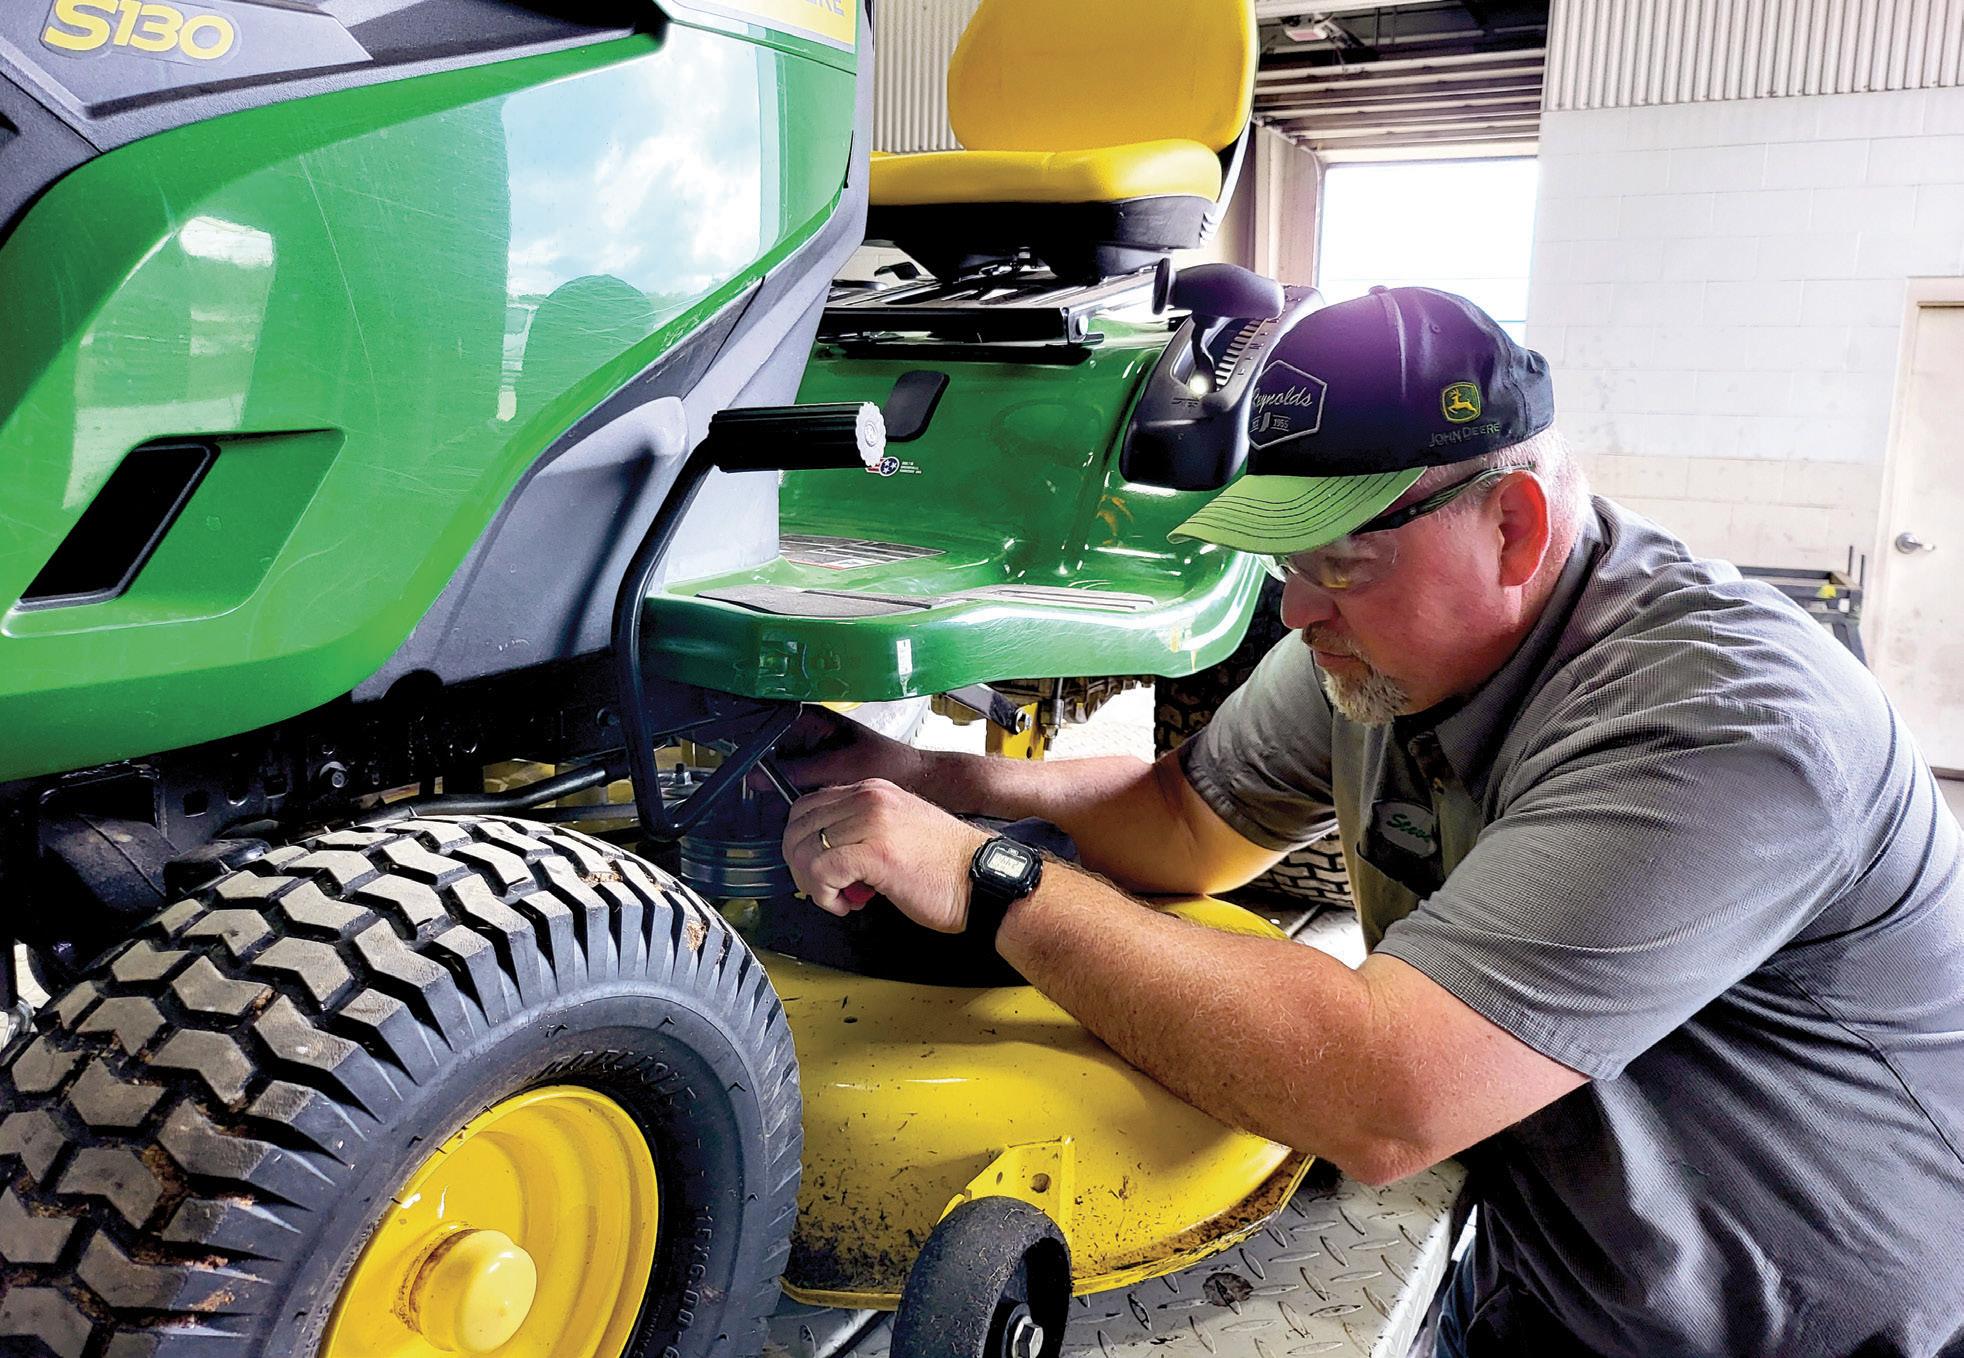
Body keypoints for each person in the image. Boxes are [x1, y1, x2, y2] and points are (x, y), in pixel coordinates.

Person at [773, 286, 1964, 1358]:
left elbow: (1386, 1096)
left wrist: (991, 880)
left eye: (1339, 560)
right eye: (1283, 561)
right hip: (1560, 1270)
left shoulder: (1718, 728)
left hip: (1804, 1323)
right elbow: (1183, 822)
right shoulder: (1382, 648)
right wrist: (940, 780)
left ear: (1512, 527)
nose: (1296, 608)